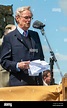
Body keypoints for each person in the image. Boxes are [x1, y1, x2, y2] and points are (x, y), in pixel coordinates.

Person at [0, 6, 45, 86]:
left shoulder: (35, 35)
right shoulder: (9, 38)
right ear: (17, 18)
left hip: (36, 83)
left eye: (30, 18)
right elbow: (4, 61)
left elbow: (41, 57)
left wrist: (42, 65)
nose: (29, 20)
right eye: (26, 17)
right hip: (19, 84)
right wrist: (17, 65)